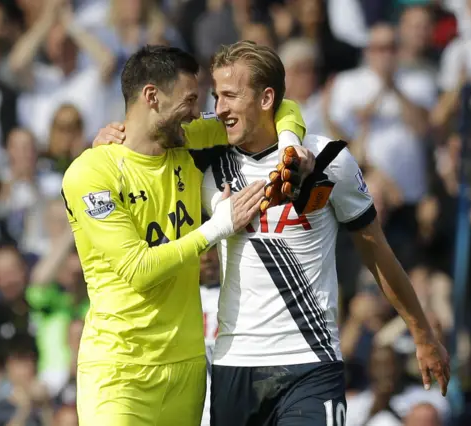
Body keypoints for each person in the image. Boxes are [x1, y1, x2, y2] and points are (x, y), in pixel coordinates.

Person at [100, 40, 450, 426]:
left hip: (311, 361)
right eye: (217, 96)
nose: (219, 109)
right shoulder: (206, 162)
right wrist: (111, 136)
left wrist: (422, 334)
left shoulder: (328, 160)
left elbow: (377, 253)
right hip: (234, 364)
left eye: (231, 96)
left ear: (266, 99)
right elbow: (146, 137)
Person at [61, 44, 307, 426]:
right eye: (190, 100)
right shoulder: (91, 173)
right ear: (152, 97)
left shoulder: (186, 146)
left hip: (186, 371)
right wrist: (217, 227)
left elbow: (275, 107)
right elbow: (137, 268)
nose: (198, 112)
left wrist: (290, 144)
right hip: (119, 372)